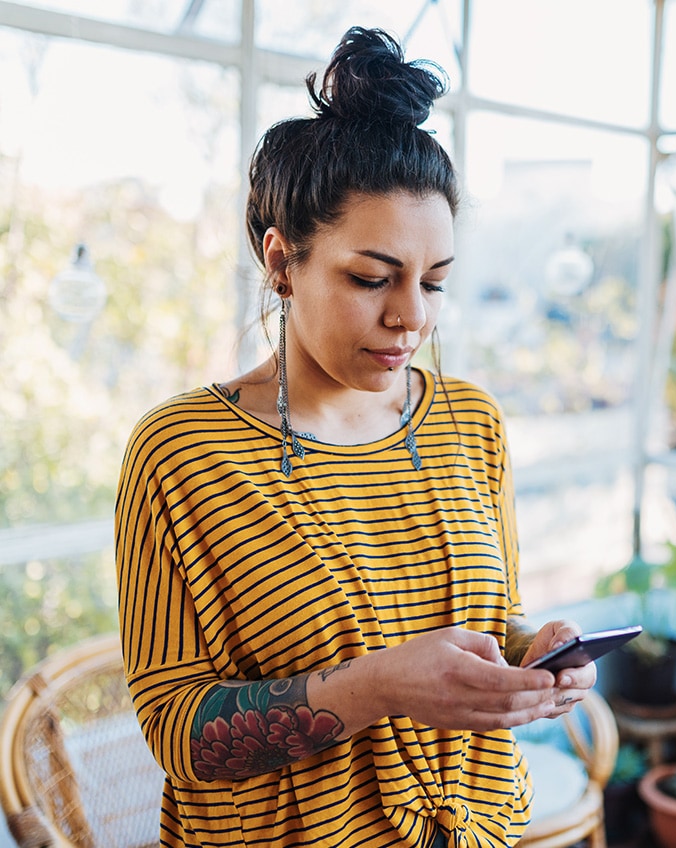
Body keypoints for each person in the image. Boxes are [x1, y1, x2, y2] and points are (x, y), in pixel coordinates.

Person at [115, 26, 596, 848]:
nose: (411, 316)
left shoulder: (470, 422)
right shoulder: (183, 452)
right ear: (281, 260)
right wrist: (377, 687)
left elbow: (494, 616)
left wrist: (534, 653)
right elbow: (178, 732)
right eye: (372, 278)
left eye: (435, 281)